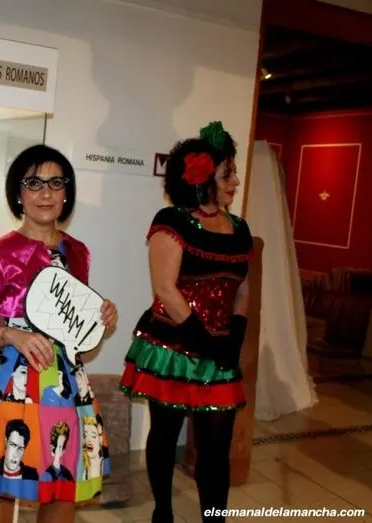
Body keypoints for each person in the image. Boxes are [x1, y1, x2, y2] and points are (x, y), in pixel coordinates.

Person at [0, 144, 119, 523]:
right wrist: (13, 336)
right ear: (18, 193)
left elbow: (75, 327)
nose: (45, 193)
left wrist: (100, 319)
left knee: (62, 474)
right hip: (7, 379)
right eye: (34, 183)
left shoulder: (78, 252)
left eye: (55, 183)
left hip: (64, 382)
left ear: (67, 192)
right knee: (2, 477)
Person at [119, 121, 252, 523]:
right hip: (173, 346)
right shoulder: (172, 221)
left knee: (217, 445)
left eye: (233, 174)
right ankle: (163, 512)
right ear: (202, 178)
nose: (235, 182)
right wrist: (203, 339)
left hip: (219, 350)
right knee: (165, 432)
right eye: (228, 174)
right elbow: (165, 288)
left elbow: (243, 288)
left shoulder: (240, 228)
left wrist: (235, 334)